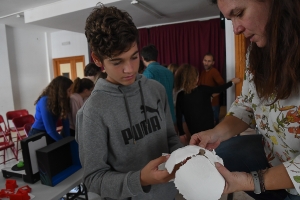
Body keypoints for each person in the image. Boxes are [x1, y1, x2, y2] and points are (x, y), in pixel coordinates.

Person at [191, 0, 300, 200]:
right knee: (221, 152)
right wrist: (215, 133)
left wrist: (251, 181)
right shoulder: (255, 52)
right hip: (273, 156)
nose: (236, 29)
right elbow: (247, 105)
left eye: (239, 13)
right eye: (230, 19)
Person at [76, 4, 183, 200]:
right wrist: (140, 179)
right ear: (98, 60)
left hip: (168, 194)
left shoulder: (156, 90)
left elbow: (170, 138)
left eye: (134, 57)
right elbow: (93, 179)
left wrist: (184, 157)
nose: (130, 69)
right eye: (117, 62)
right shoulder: (92, 111)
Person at [175, 64, 240, 143]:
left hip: (193, 129)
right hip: (208, 127)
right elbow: (219, 89)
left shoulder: (180, 96)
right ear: (195, 78)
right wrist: (232, 82)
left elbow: (178, 116)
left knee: (198, 144)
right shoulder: (203, 89)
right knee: (209, 144)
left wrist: (181, 133)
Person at [28, 76, 72, 142]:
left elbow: (65, 121)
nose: (70, 94)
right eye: (69, 91)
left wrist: (68, 139)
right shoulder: (45, 100)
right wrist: (65, 143)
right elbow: (50, 130)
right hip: (38, 135)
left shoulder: (62, 100)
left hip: (50, 133)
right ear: (61, 91)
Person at [141, 44, 176, 124]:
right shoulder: (168, 72)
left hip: (157, 117)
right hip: (171, 114)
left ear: (142, 58)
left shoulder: (147, 73)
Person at [199, 53, 225, 125]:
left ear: (213, 62)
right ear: (202, 61)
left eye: (209, 61)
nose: (206, 63)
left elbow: (222, 86)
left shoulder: (214, 72)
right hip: (205, 104)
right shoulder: (203, 72)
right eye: (205, 60)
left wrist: (213, 95)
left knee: (213, 125)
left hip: (213, 104)